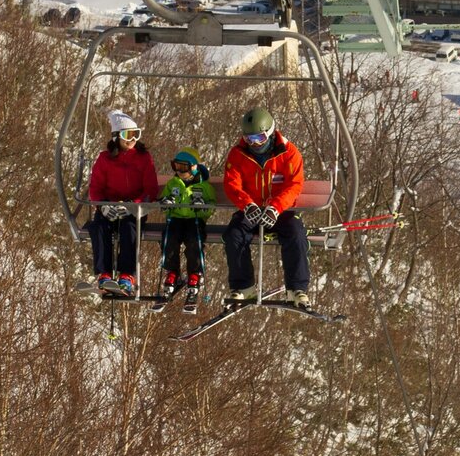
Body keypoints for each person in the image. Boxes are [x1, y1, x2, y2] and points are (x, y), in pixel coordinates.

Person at [222, 107, 311, 306]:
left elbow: (294, 185)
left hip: (281, 211)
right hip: (251, 209)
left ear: (270, 133)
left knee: (296, 234)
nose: (254, 144)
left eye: (259, 138)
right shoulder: (238, 154)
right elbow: (232, 184)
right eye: (249, 139)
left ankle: (297, 289)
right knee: (234, 234)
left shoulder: (288, 153)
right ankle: (244, 288)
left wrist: (275, 207)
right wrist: (247, 205)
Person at [87, 110, 158, 296]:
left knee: (129, 228)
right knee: (100, 226)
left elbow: (150, 190)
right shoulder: (105, 159)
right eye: (127, 135)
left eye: (136, 134)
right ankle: (104, 274)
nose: (132, 139)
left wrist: (132, 204)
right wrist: (102, 205)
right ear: (116, 137)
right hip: (109, 205)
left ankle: (127, 275)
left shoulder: (143, 158)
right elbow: (95, 188)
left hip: (134, 208)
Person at [156, 148, 215, 312]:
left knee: (194, 241)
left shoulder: (203, 186)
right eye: (176, 167)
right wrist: (166, 203)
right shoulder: (173, 183)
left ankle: (195, 275)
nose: (179, 171)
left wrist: (202, 206)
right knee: (169, 239)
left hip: (194, 220)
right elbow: (164, 202)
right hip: (175, 218)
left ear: (194, 167)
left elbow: (211, 207)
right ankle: (172, 272)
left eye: (183, 167)